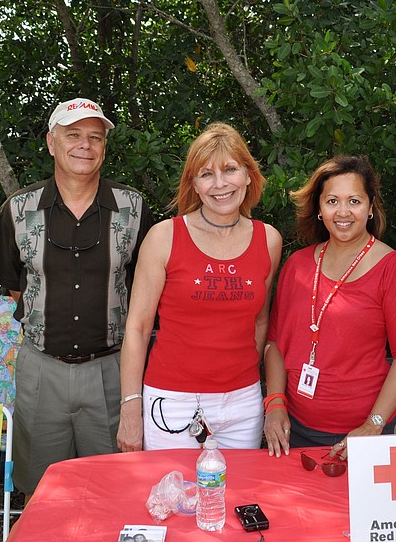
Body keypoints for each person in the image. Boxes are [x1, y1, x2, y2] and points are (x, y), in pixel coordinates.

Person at [0, 97, 154, 497]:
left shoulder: (133, 208)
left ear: (104, 147)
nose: (85, 144)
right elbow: (14, 288)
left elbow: (146, 290)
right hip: (42, 370)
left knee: (117, 486)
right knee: (44, 491)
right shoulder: (17, 210)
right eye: (73, 134)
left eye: (95, 137)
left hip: (113, 371)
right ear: (51, 141)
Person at [117, 122, 282, 451]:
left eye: (230, 170)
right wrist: (130, 408)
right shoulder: (164, 237)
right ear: (193, 182)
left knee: (238, 498)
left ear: (249, 175)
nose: (220, 184)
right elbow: (137, 328)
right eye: (206, 174)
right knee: (171, 500)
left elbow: (260, 321)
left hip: (243, 404)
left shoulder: (269, 239)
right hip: (172, 401)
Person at [263, 156, 396, 459]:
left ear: (371, 206)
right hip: (294, 429)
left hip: (363, 433)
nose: (343, 212)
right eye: (332, 201)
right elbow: (275, 343)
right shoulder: (297, 265)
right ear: (320, 210)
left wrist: (372, 425)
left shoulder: (394, 269)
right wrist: (275, 404)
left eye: (354, 200)